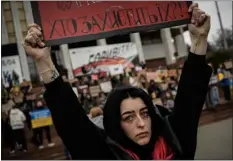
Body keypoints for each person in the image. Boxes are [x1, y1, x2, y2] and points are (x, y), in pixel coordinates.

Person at [23, 3, 212, 160]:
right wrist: (43, 61)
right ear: (116, 124)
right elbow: (72, 123)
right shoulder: (106, 155)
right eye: (129, 117)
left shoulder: (176, 142)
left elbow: (190, 99)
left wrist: (199, 39)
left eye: (145, 114)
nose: (141, 124)